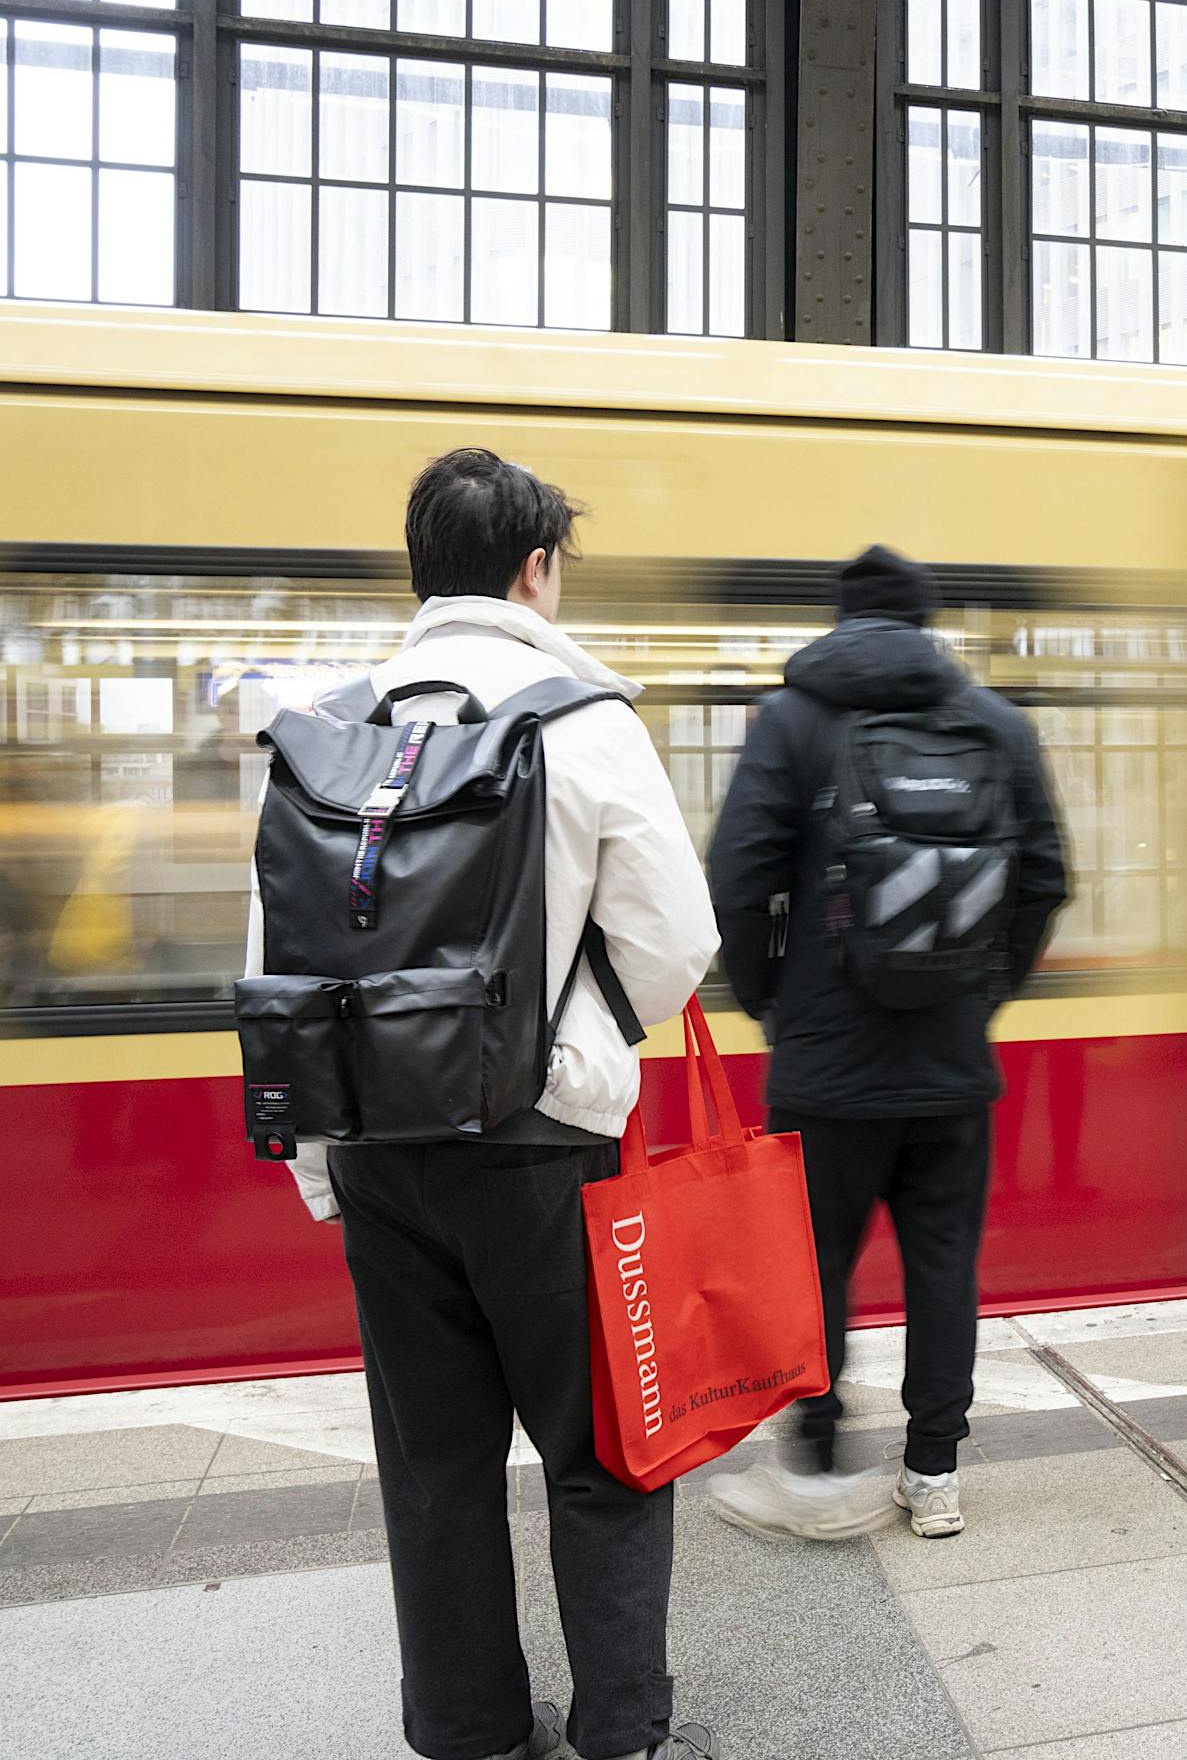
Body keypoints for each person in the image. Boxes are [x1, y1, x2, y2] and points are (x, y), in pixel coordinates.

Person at [249, 450, 721, 1760]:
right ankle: (620, 1726)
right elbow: (681, 937)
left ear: (420, 575)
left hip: (379, 1159)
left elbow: (280, 954)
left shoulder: (329, 730)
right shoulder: (586, 720)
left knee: (434, 1467)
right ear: (537, 568)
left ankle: (467, 1729)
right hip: (544, 1151)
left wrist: (324, 1161)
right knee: (606, 1451)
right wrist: (572, 1036)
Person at [703, 545, 1068, 1540]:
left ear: (844, 621)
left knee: (813, 1261)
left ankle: (816, 1463)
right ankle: (934, 1470)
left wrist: (771, 999)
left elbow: (737, 875)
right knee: (942, 1261)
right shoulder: (992, 723)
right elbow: (1043, 878)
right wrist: (981, 994)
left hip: (826, 1064)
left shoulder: (794, 720)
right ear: (924, 621)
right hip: (951, 1063)